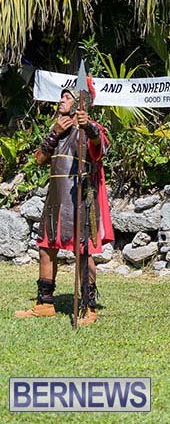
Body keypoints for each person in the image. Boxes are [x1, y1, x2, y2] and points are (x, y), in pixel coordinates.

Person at [14, 79, 113, 325]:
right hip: (56, 199)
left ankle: (89, 307)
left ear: (80, 103)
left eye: (67, 97)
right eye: (62, 96)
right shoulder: (58, 129)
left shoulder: (92, 128)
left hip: (80, 199)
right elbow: (40, 159)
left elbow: (99, 144)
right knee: (46, 247)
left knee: (83, 251)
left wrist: (88, 126)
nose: (61, 100)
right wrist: (54, 133)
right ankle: (45, 303)